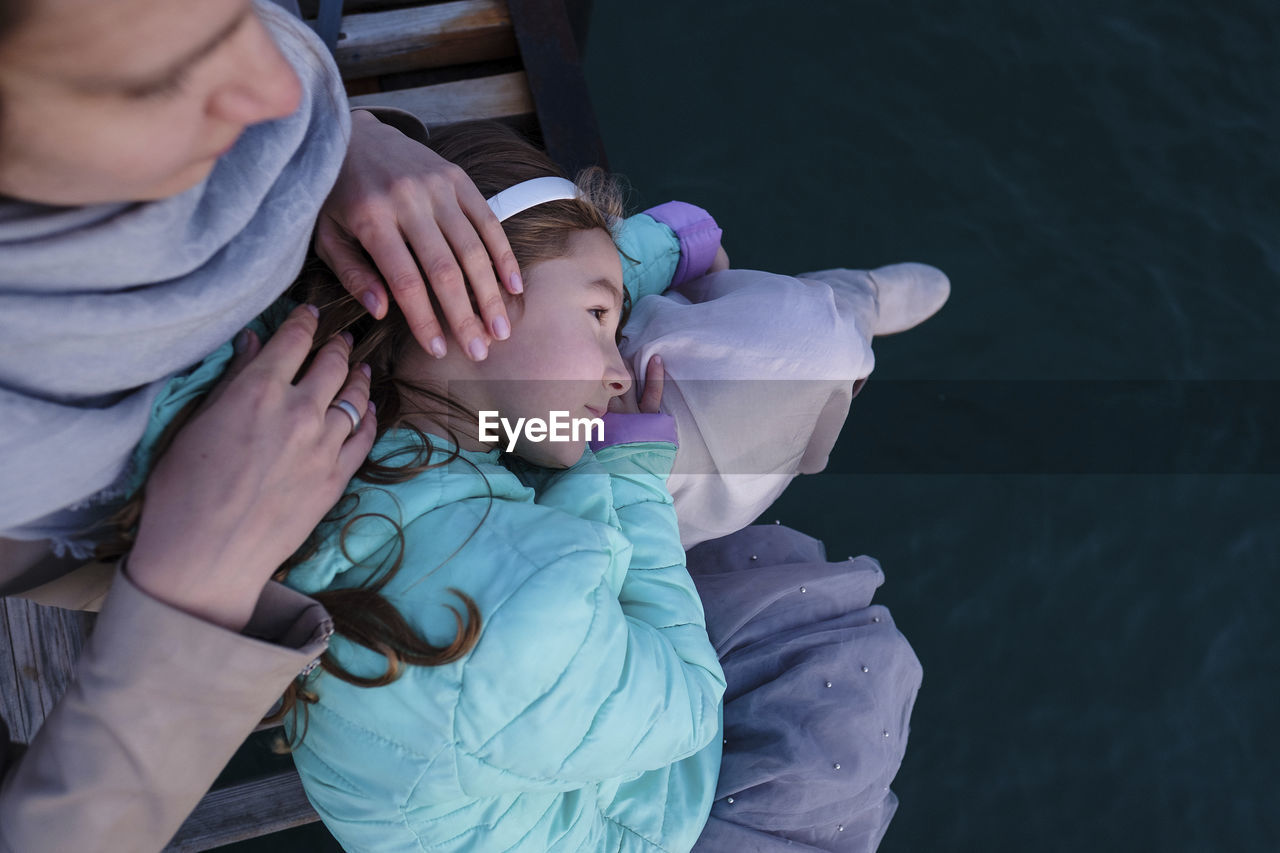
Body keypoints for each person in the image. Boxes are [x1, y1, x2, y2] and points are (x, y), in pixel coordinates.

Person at [251, 121, 921, 852]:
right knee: (842, 692)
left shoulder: (348, 399)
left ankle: (839, 320)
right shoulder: (526, 601)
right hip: (625, 816)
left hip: (517, 714)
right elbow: (692, 703)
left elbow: (542, 283)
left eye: (611, 319)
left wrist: (661, 247)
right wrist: (625, 473)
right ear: (464, 296)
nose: (616, 368)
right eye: (602, 320)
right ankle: (842, 318)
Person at [0, 1, 522, 850]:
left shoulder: (286, 113)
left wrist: (345, 139)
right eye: (159, 81)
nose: (285, 83)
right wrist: (191, 593)